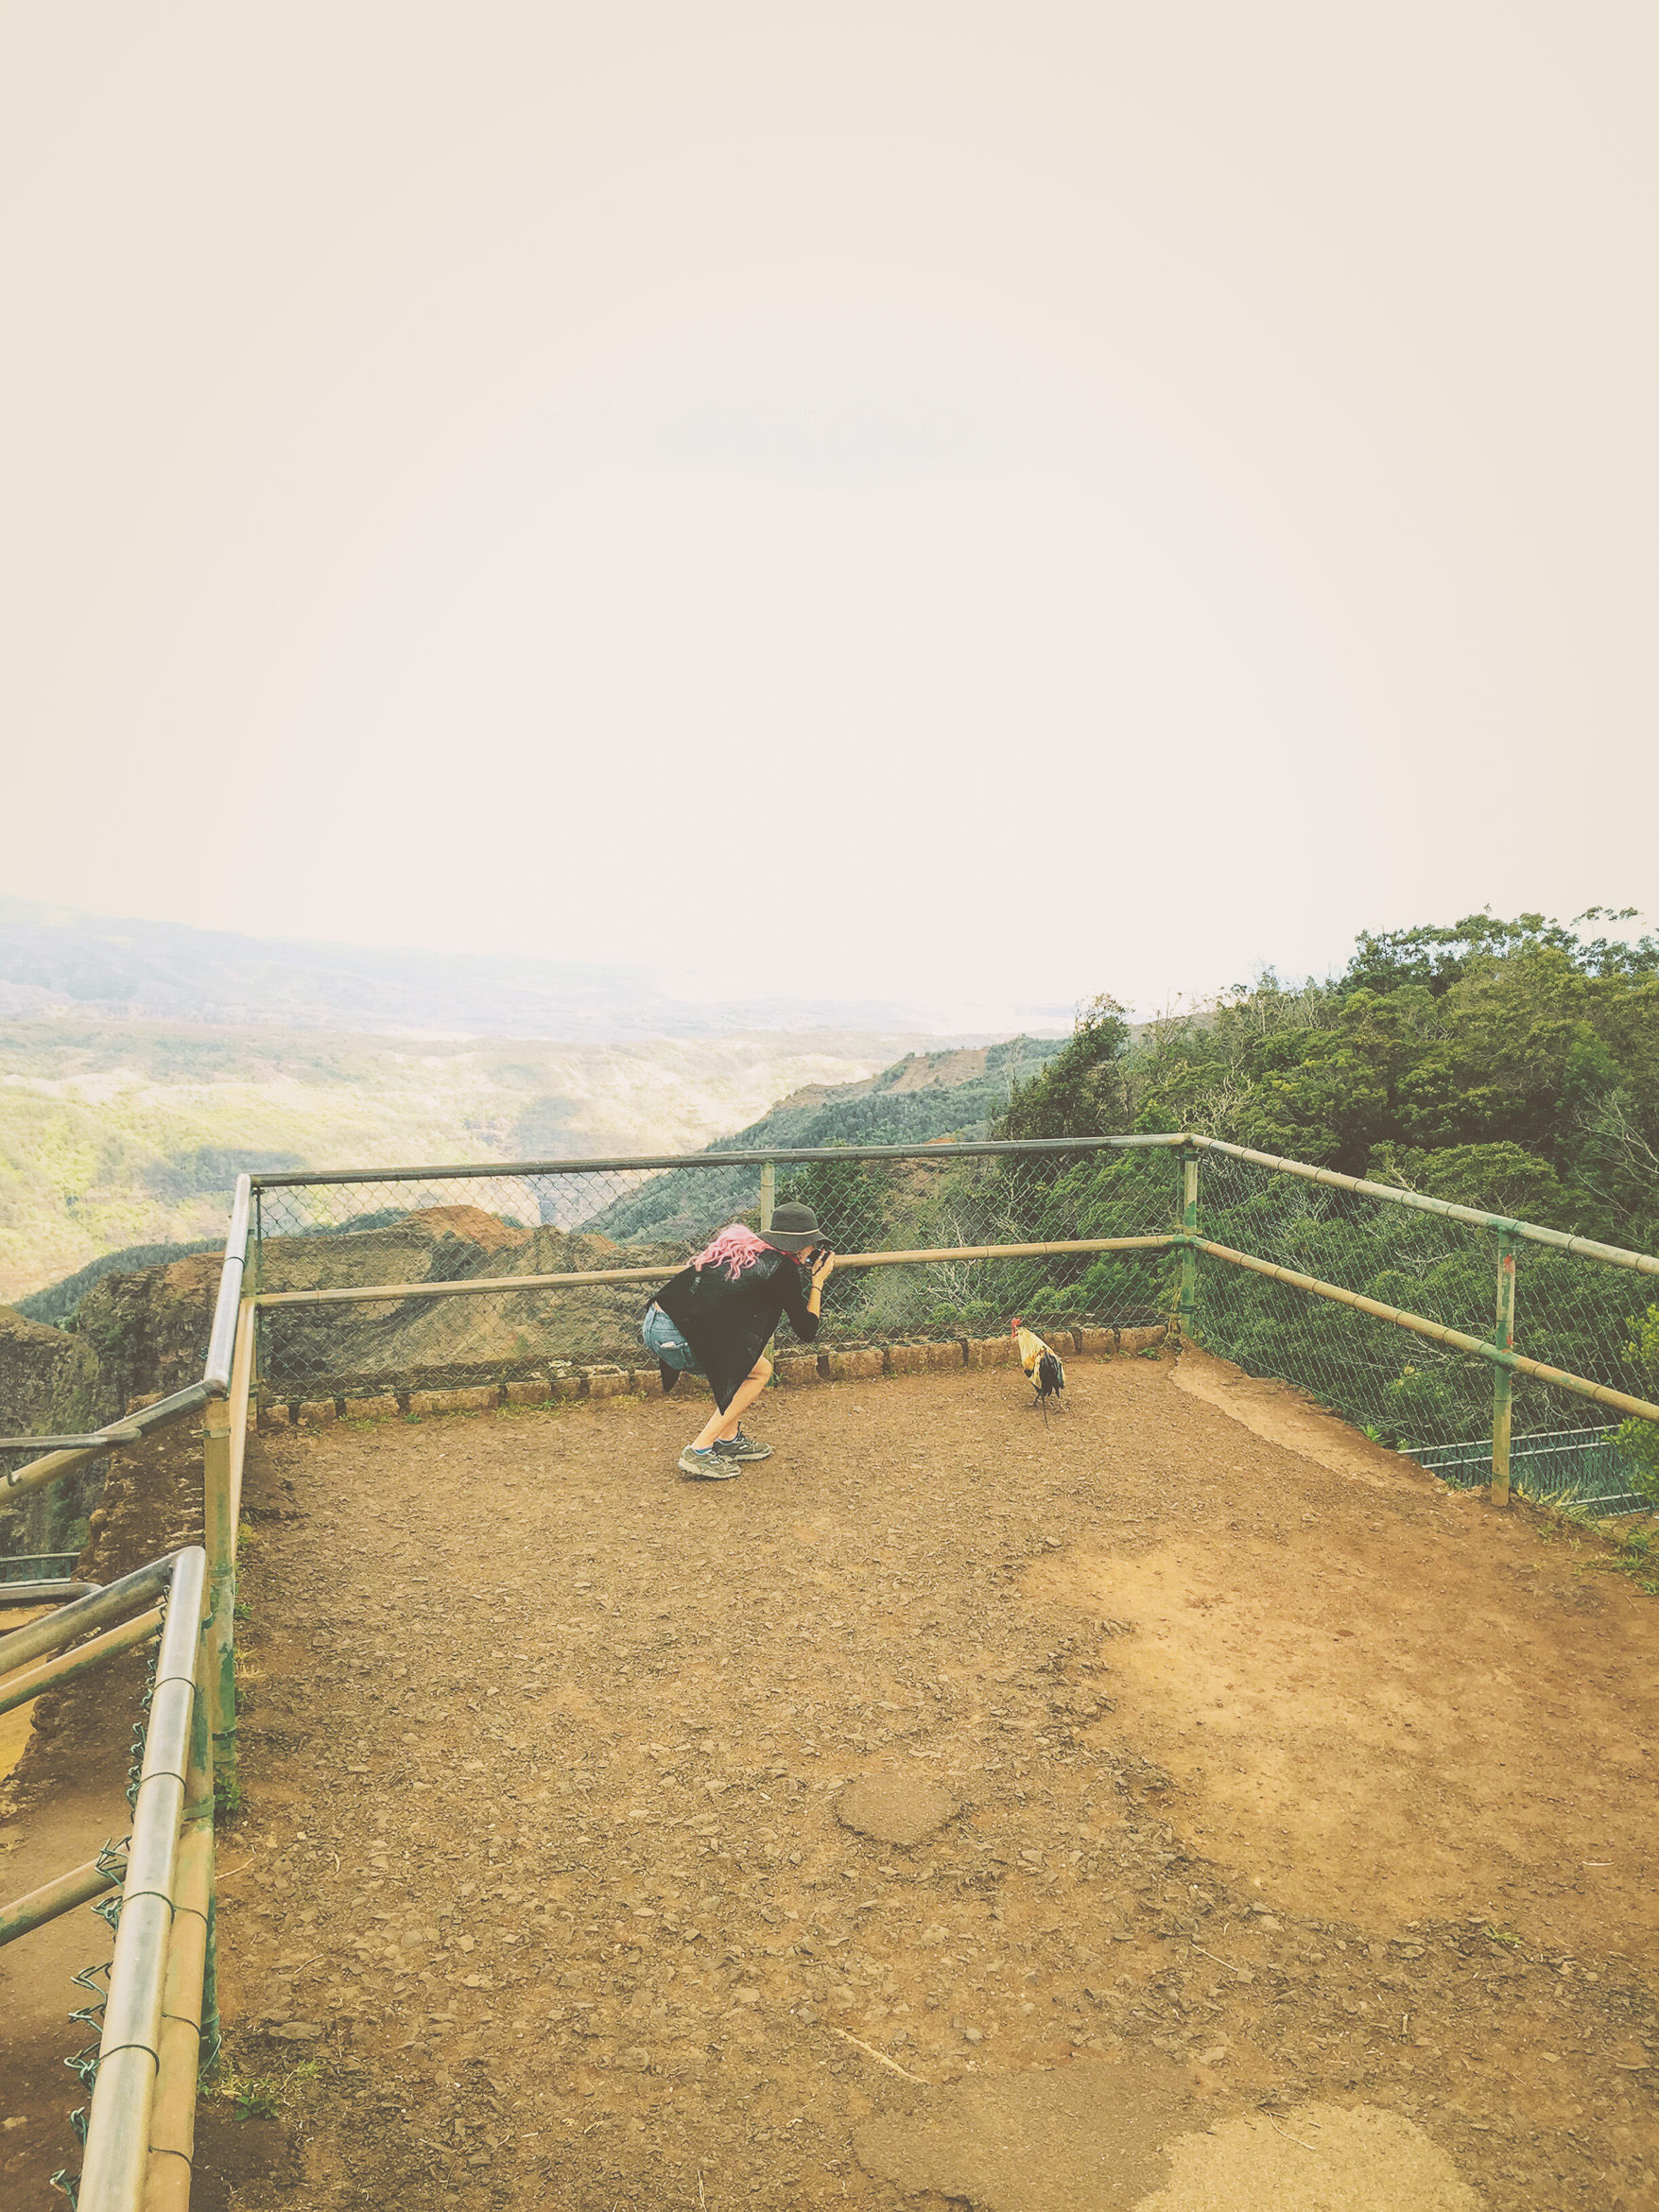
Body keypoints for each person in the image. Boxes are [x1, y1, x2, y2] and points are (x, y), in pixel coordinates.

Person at [642, 1201, 835, 1479]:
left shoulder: (743, 1247)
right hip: (677, 1334)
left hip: (656, 1323)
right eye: (811, 1244)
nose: (813, 1250)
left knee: (740, 1362)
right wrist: (818, 1281)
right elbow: (806, 1330)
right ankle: (699, 1450)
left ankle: (728, 1440)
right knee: (760, 1372)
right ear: (799, 1245)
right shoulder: (782, 1270)